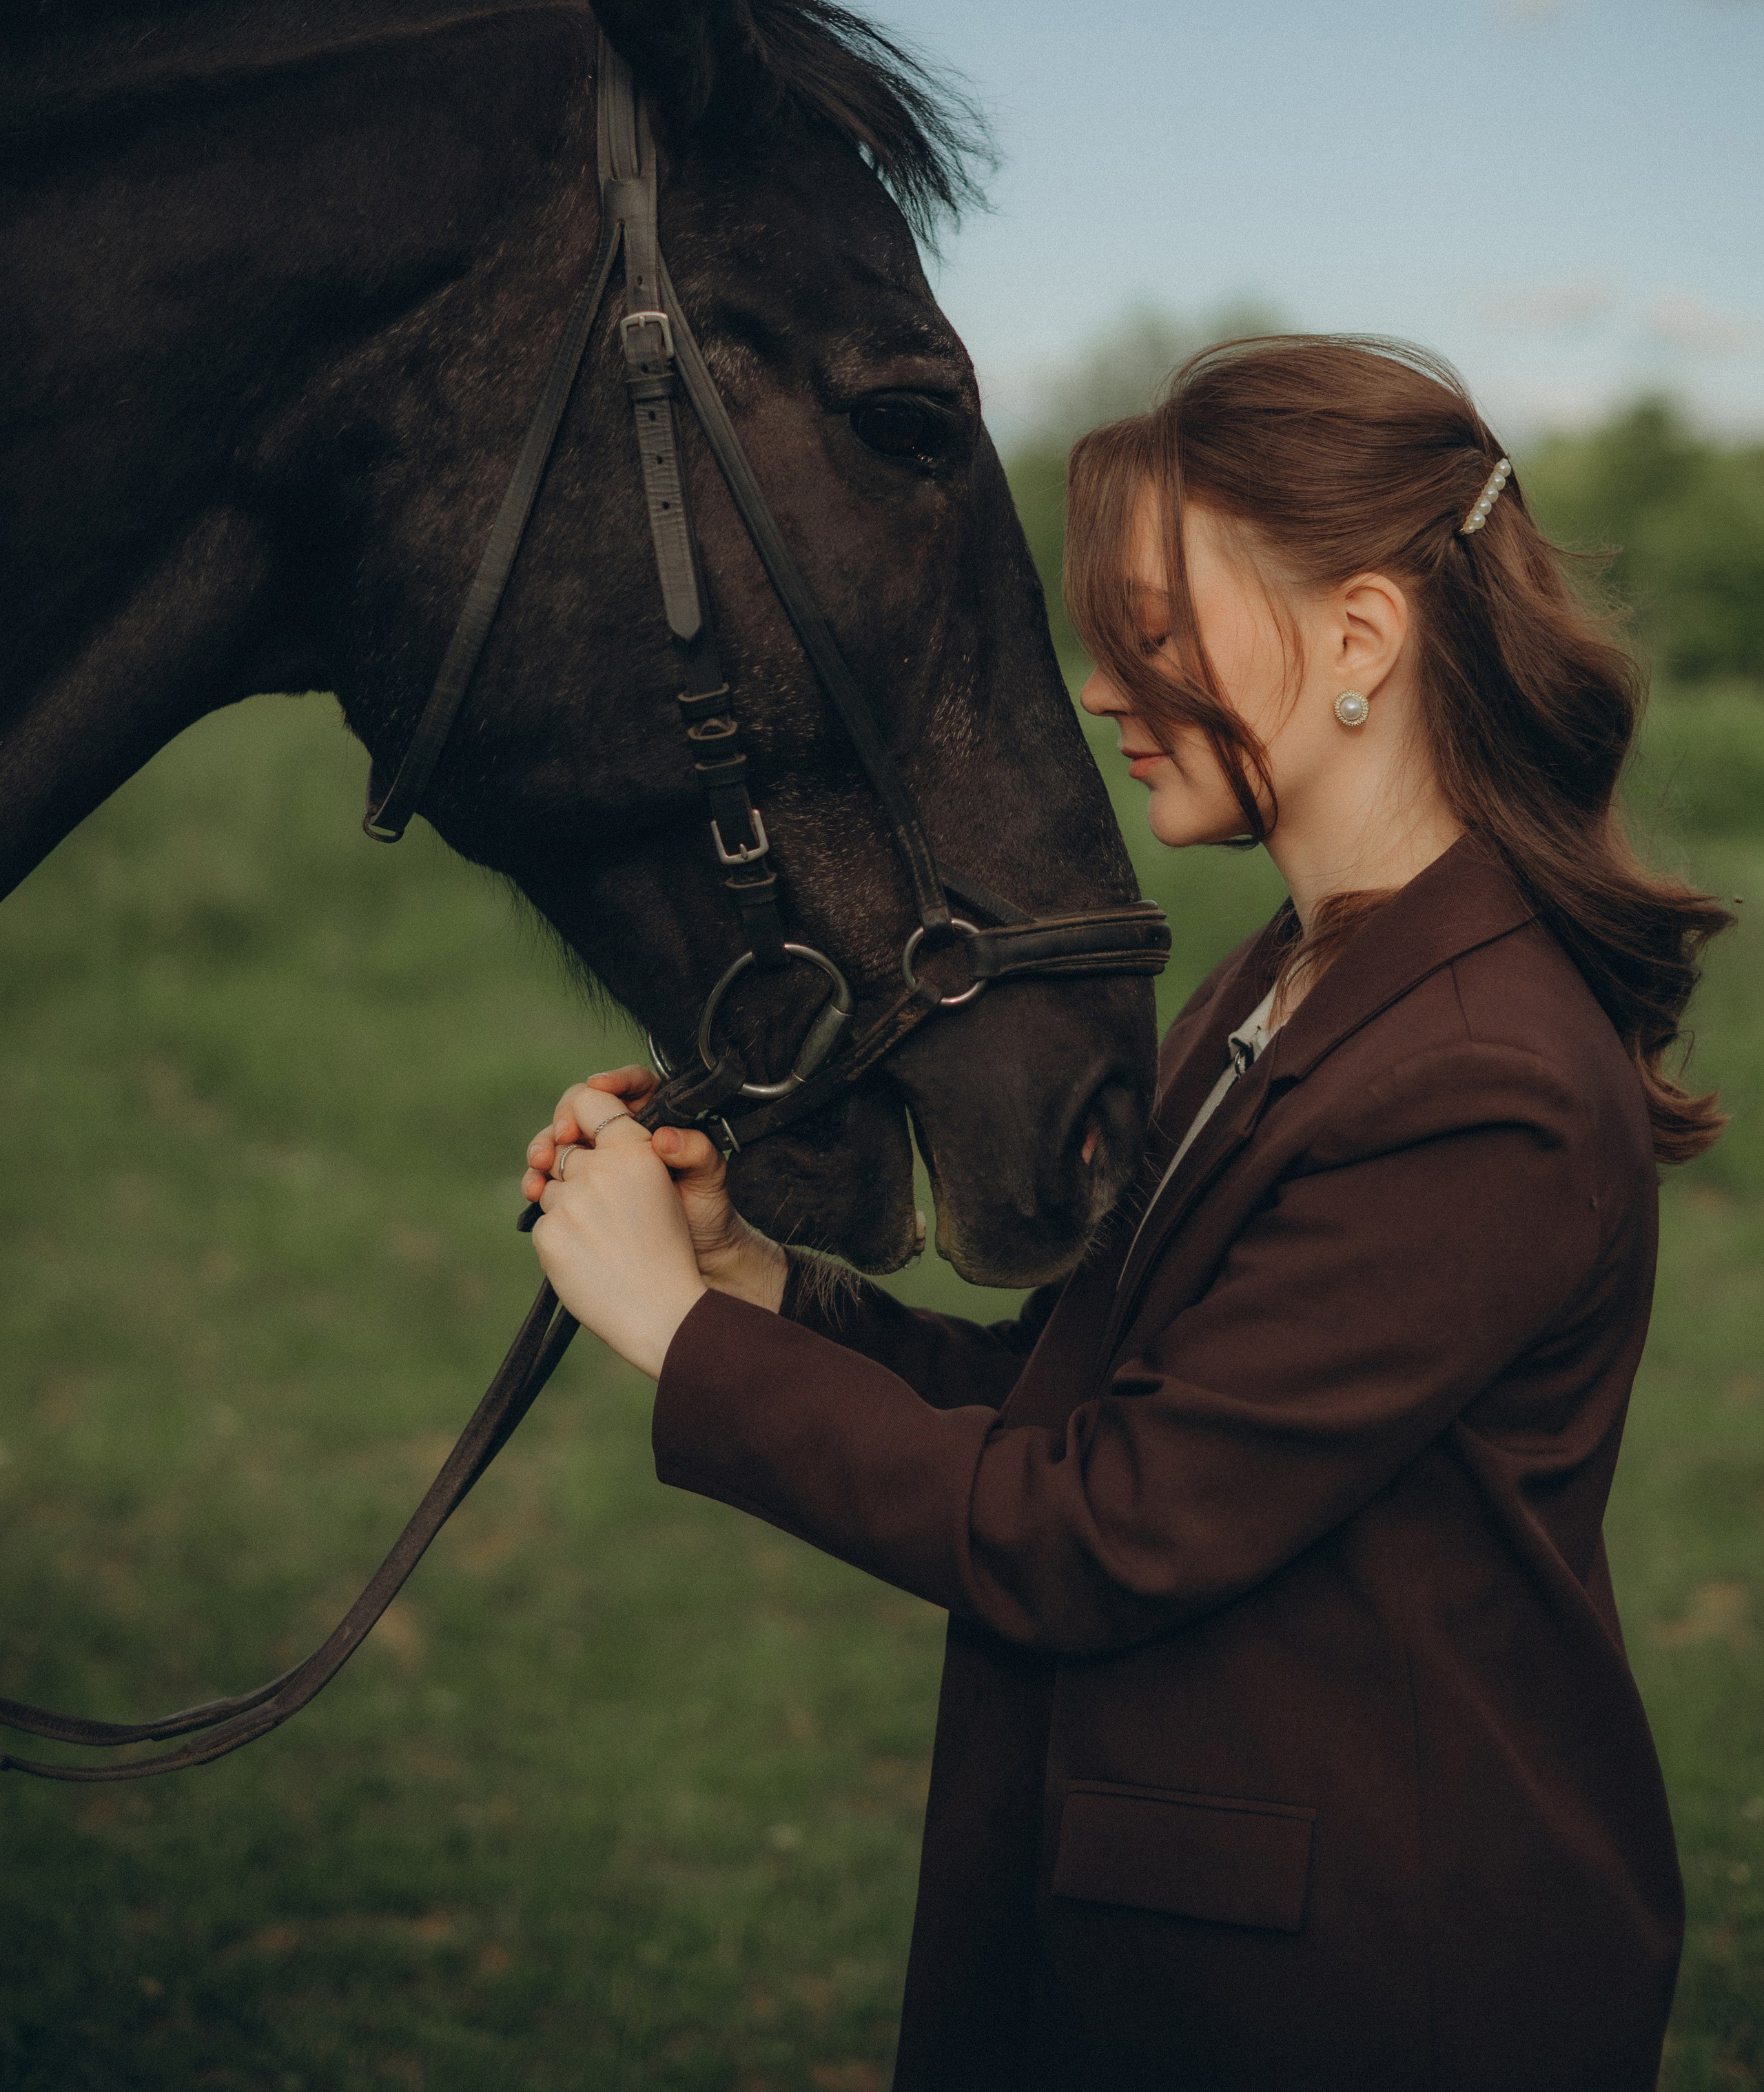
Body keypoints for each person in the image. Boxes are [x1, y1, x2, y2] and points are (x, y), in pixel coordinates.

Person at [517, 336, 1729, 2092]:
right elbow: (1098, 1395)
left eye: (1152, 631)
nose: (1100, 684)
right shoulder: (1298, 971)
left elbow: (1102, 1527)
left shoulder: (1483, 1077)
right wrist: (756, 1280)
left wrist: (677, 1336)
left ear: (1360, 643)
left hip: (1363, 1989)